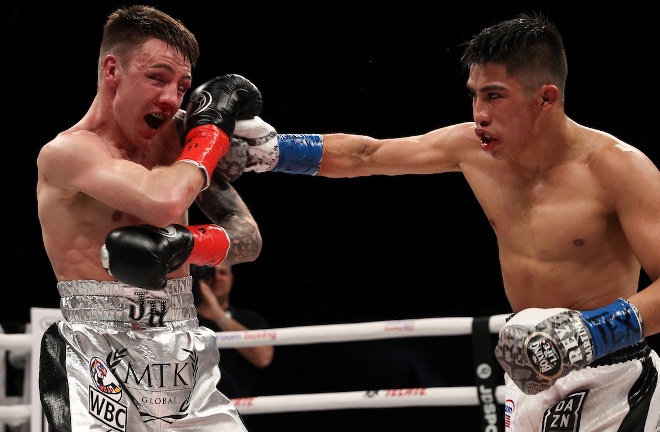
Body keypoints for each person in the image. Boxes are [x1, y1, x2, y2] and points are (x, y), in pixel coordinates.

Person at [222, 12, 660, 431]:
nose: (479, 113)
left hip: (610, 377)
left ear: (545, 97)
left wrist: (591, 333)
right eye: (474, 94)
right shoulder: (472, 150)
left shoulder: (619, 169)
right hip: (526, 371)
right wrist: (272, 152)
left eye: (494, 95)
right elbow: (366, 155)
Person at [35, 5, 263, 431]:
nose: (172, 99)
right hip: (95, 355)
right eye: (157, 78)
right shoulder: (69, 152)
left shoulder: (179, 140)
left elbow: (248, 239)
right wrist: (209, 138)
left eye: (182, 86)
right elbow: (162, 202)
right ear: (111, 70)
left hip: (182, 348)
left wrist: (189, 244)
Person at [192, 264, 274, 398]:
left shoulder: (249, 320)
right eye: (211, 272)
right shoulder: (183, 320)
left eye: (223, 272)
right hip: (188, 411)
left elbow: (263, 357)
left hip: (234, 411)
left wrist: (218, 316)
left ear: (231, 278)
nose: (217, 277)